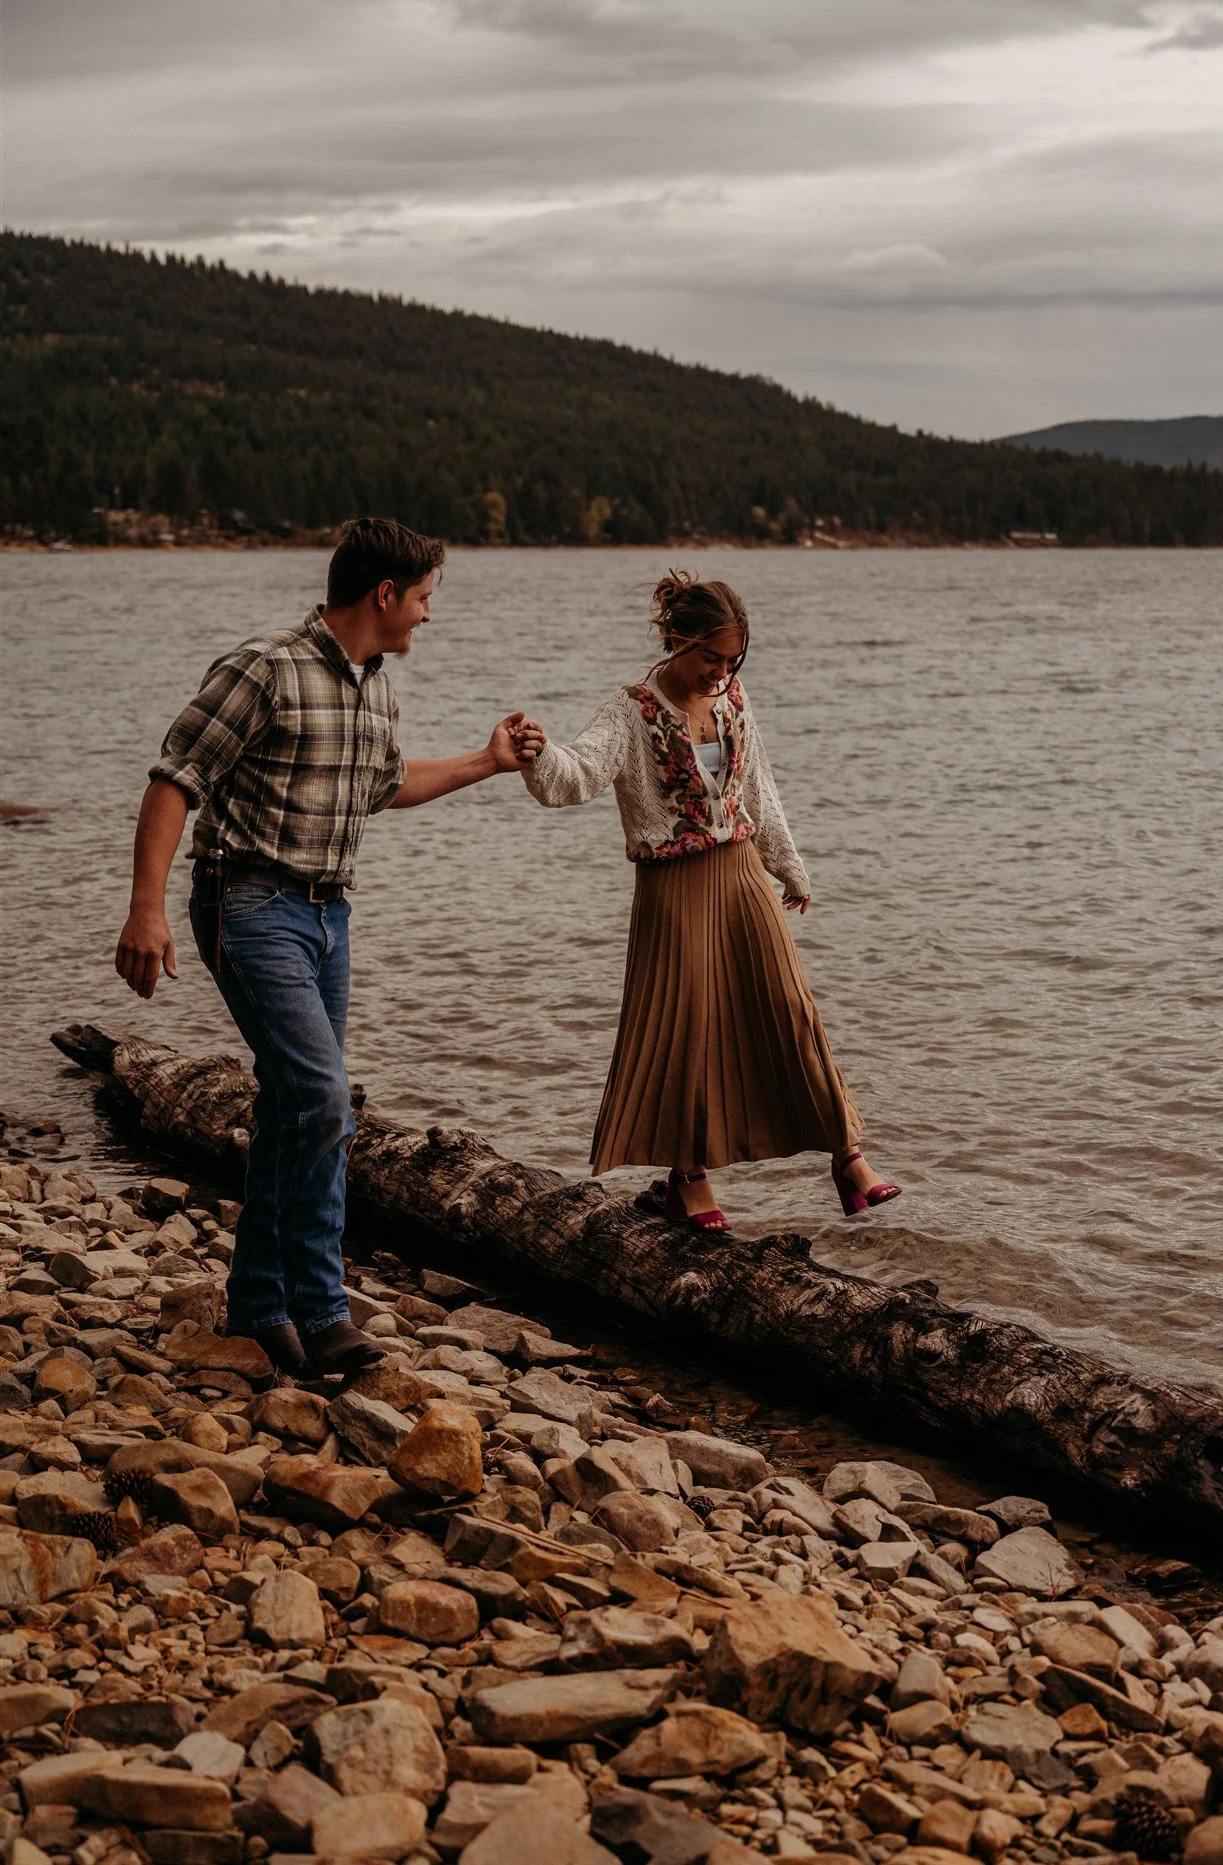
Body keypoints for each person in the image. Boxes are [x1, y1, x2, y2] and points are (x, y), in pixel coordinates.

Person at [115, 517, 544, 1383]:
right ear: (384, 594)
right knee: (321, 1095)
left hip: (326, 917)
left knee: (292, 1105)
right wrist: (145, 912)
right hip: (246, 902)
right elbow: (174, 781)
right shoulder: (263, 667)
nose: (428, 616)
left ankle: (258, 1305)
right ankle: (321, 1307)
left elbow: (386, 786)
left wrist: (487, 762)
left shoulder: (375, 685)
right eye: (423, 598)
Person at [518, 569, 899, 1231]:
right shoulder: (630, 710)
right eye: (709, 658)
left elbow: (760, 788)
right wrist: (534, 753)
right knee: (687, 1033)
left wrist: (790, 869)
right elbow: (574, 777)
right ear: (674, 639)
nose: (719, 673)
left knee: (789, 1010)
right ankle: (686, 1178)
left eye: (731, 661)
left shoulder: (732, 701)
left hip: (741, 872)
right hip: (673, 887)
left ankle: (847, 1159)